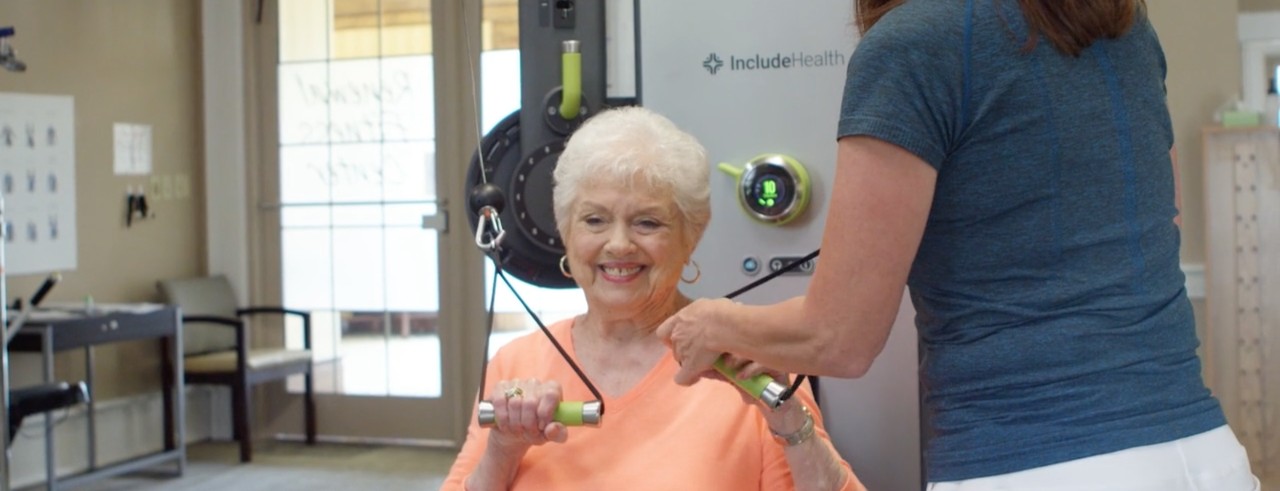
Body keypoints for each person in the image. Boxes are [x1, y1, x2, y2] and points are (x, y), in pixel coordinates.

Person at [658, 1, 1261, 490]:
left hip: (1033, 464)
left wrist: (715, 323)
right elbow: (1165, 218)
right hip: (1204, 454)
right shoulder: (1122, 26)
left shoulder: (914, 42)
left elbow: (839, 338)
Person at [441, 107, 862, 491]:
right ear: (565, 231)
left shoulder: (742, 358)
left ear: (692, 234)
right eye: (595, 220)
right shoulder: (516, 363)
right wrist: (503, 449)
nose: (619, 244)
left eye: (647, 222)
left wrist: (785, 416)